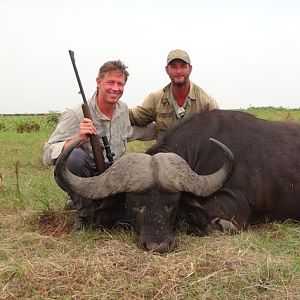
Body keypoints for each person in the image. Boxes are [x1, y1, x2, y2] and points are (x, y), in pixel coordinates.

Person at [43, 59, 155, 231]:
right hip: (87, 178)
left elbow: (131, 132)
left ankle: (103, 206)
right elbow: (47, 153)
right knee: (74, 157)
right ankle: (84, 214)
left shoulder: (123, 109)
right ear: (99, 82)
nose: (115, 88)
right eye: (110, 82)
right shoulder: (76, 114)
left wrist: (165, 129)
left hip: (114, 177)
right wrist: (78, 139)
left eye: (120, 84)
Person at [129, 49, 219, 139]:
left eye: (183, 66)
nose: (178, 71)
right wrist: (115, 107)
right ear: (167, 70)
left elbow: (219, 132)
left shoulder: (207, 102)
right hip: (165, 152)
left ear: (190, 69)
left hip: (195, 153)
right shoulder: (156, 98)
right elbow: (135, 116)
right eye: (174, 67)